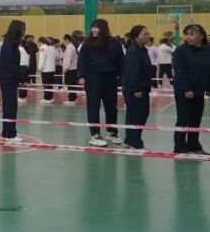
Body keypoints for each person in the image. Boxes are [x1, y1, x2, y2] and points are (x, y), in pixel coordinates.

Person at [77, 18, 125, 147]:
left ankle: (111, 132)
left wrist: (121, 77)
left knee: (111, 107)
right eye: (92, 27)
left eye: (96, 27)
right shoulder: (87, 44)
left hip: (110, 78)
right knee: (93, 106)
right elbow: (82, 60)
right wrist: (81, 75)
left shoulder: (114, 43)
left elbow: (121, 61)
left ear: (103, 29)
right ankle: (95, 135)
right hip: (93, 78)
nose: (93, 30)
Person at [173, 24, 209, 155]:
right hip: (184, 91)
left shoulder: (207, 49)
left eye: (192, 34)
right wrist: (186, 89)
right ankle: (179, 146)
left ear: (201, 36)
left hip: (199, 90)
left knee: (195, 120)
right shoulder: (181, 51)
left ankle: (194, 146)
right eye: (187, 34)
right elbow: (180, 71)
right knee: (183, 119)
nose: (188, 37)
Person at [121, 25, 154, 150]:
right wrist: (136, 89)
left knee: (142, 114)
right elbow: (131, 72)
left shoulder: (143, 49)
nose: (148, 36)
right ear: (135, 37)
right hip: (134, 89)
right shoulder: (133, 51)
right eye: (144, 34)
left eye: (148, 33)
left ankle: (130, 140)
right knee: (136, 115)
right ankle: (135, 143)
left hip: (143, 87)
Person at [0, 20, 26, 142]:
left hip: (9, 79)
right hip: (8, 79)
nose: (24, 32)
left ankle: (6, 133)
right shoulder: (9, 44)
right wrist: (21, 76)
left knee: (9, 106)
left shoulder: (10, 43)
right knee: (10, 106)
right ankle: (10, 134)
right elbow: (10, 64)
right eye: (23, 29)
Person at [61, 33, 79, 104]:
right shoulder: (70, 47)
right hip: (71, 69)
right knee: (71, 84)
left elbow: (69, 59)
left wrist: (66, 68)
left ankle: (71, 99)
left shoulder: (70, 48)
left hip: (71, 69)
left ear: (67, 40)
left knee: (70, 84)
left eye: (64, 40)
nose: (63, 42)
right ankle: (72, 98)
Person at [39, 36, 57, 102]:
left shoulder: (42, 48)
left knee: (46, 84)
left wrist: (39, 68)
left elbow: (42, 59)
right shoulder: (52, 48)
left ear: (40, 42)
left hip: (46, 70)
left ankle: (47, 98)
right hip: (52, 69)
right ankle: (51, 98)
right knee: (50, 84)